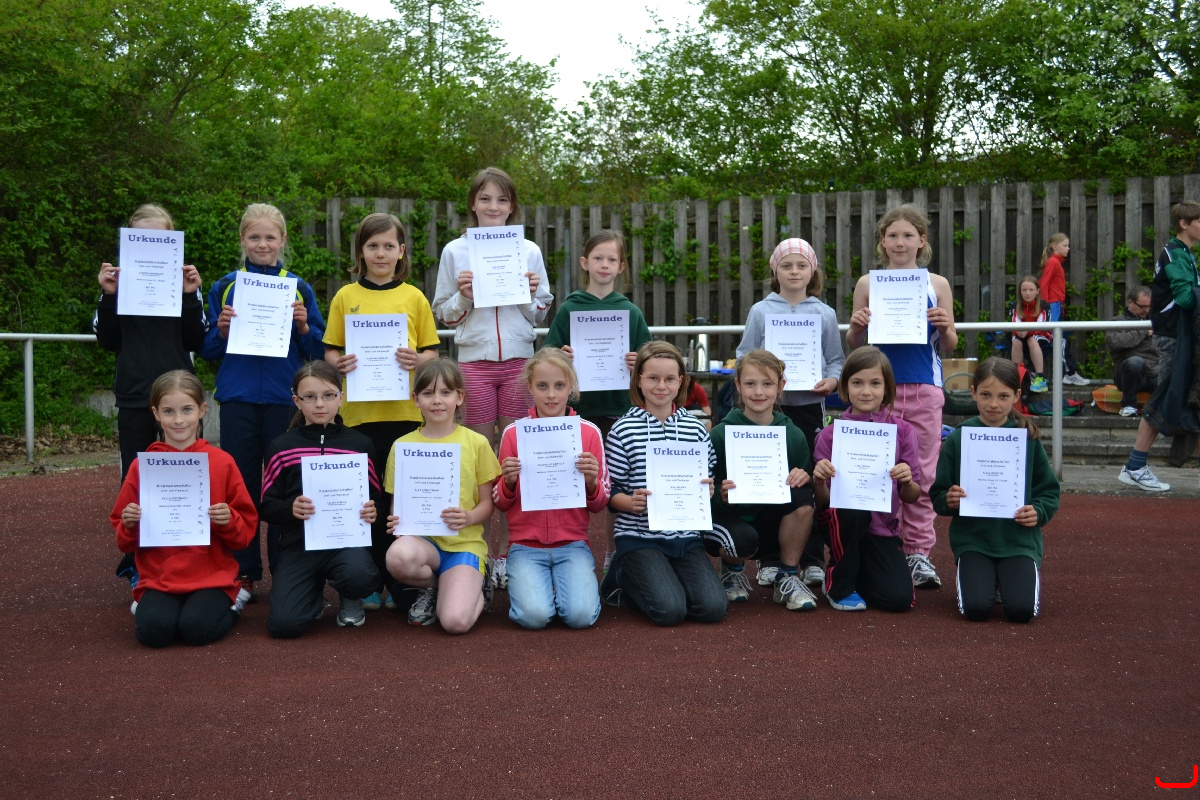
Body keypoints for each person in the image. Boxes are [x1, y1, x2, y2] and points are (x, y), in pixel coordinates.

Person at [432, 167, 553, 591]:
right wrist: (464, 296)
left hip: (520, 363)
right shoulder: (455, 251)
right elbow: (442, 312)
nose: (493, 206)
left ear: (512, 206)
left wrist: (532, 293)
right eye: (485, 198)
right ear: (472, 203)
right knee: (481, 463)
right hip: (475, 364)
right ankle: (481, 552)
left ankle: (511, 551)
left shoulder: (529, 250)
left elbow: (540, 313)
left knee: (517, 461)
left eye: (501, 199)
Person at [199, 203, 327, 600]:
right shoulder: (225, 286)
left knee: (284, 488)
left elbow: (318, 350)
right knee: (240, 486)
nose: (262, 244)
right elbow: (206, 349)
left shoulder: (298, 288)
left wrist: (303, 326)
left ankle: (288, 569)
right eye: (254, 237)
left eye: (270, 237)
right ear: (242, 240)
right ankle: (243, 571)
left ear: (282, 240)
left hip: (282, 400)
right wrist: (221, 331)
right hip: (237, 398)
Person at [323, 212, 440, 613]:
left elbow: (432, 352)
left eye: (389, 246)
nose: (380, 253)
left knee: (399, 500)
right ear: (361, 251)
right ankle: (369, 581)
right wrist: (339, 363)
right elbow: (331, 350)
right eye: (372, 246)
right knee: (366, 499)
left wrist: (417, 360)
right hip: (358, 416)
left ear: (401, 251)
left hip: (405, 414)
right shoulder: (345, 297)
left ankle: (401, 579)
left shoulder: (414, 297)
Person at [95, 203, 208, 594]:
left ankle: (192, 558)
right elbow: (107, 340)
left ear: (172, 240)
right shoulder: (118, 283)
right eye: (143, 236)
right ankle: (136, 562)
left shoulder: (184, 283)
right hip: (134, 394)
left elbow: (198, 339)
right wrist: (108, 295)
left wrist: (191, 296)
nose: (152, 243)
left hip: (179, 396)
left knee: (189, 476)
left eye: (160, 237)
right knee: (136, 479)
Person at [847, 204, 957, 589]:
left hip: (925, 387)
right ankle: (884, 546)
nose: (900, 242)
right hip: (878, 392)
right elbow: (855, 344)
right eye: (892, 235)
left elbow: (950, 343)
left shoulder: (937, 285)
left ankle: (919, 552)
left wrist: (945, 326)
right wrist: (856, 326)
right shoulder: (868, 284)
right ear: (882, 241)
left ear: (922, 240)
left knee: (921, 474)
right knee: (879, 471)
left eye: (908, 235)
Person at [111, 371, 257, 647]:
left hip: (211, 576)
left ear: (202, 410)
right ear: (156, 413)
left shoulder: (222, 462)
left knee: (197, 630)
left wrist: (228, 519)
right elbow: (123, 539)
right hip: (159, 577)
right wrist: (129, 523)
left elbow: (244, 534)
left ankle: (232, 603)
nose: (178, 420)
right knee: (154, 634)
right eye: (169, 411)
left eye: (187, 410)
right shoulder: (143, 466)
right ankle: (150, 607)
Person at [542, 230, 652, 573]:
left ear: (622, 266)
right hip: (578, 412)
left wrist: (639, 362)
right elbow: (546, 357)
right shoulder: (569, 308)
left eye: (612, 259)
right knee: (577, 481)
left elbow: (651, 361)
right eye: (598, 258)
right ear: (585, 263)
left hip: (620, 411)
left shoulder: (630, 311)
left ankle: (613, 554)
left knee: (616, 484)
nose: (605, 264)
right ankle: (573, 550)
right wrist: (560, 356)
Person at [737, 237, 844, 589]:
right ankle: (770, 558)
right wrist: (758, 382)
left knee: (810, 480)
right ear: (775, 270)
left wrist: (832, 381)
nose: (794, 271)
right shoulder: (760, 311)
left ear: (813, 270)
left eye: (801, 265)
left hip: (810, 408)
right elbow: (744, 355)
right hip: (770, 409)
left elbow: (836, 360)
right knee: (771, 480)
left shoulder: (825, 313)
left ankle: (812, 558)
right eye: (786, 265)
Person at [600, 341, 726, 626]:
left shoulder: (695, 428)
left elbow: (709, 477)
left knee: (712, 608)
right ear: (639, 380)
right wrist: (629, 502)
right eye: (653, 378)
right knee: (670, 611)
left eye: (669, 379)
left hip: (686, 537)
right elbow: (611, 490)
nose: (661, 386)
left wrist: (707, 490)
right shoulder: (623, 430)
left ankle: (664, 578)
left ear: (681, 381)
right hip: (639, 536)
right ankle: (621, 575)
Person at [931, 358, 1060, 623]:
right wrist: (949, 499)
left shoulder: (1027, 437)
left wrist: (1038, 512)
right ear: (973, 392)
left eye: (1003, 396)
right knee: (976, 609)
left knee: (1022, 612)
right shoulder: (959, 437)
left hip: (1018, 541)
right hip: (974, 540)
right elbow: (938, 494)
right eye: (986, 395)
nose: (993, 404)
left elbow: (1048, 491)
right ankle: (985, 578)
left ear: (1016, 396)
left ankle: (1004, 579)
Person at [259, 362, 381, 636]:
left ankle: (350, 594)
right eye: (310, 397)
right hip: (299, 546)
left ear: (341, 396)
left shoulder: (360, 444)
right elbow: (266, 506)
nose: (319, 404)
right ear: (297, 401)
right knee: (284, 625)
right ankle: (311, 593)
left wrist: (373, 510)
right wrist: (290, 508)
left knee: (360, 575)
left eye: (328, 395)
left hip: (346, 544)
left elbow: (376, 498)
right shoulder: (282, 446)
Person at [384, 359, 502, 633]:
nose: (437, 401)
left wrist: (468, 517)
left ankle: (476, 586)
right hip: (425, 546)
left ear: (459, 397)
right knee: (397, 556)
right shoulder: (402, 446)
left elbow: (488, 505)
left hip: (464, 545)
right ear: (416, 399)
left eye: (445, 392)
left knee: (455, 622)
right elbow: (396, 507)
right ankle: (434, 587)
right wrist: (397, 522)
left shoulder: (477, 443)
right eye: (428, 393)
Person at [493, 349, 608, 629]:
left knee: (580, 617)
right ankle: (545, 590)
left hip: (572, 545)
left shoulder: (589, 433)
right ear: (530, 387)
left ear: (571, 387)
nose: (551, 395)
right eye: (542, 386)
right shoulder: (514, 434)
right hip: (525, 546)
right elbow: (499, 502)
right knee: (533, 617)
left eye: (559, 385)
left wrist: (592, 482)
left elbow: (600, 503)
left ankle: (557, 588)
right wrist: (508, 482)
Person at [811, 347, 919, 612]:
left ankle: (858, 572)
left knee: (898, 600)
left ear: (887, 388)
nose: (866, 391)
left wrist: (906, 481)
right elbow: (822, 503)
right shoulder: (830, 435)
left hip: (882, 528)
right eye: (857, 383)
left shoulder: (903, 431)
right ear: (845, 387)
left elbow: (912, 496)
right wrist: (819, 481)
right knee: (854, 511)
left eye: (875, 383)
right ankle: (838, 582)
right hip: (842, 524)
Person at [709, 350, 816, 611]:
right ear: (738, 386)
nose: (759, 392)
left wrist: (804, 477)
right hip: (732, 521)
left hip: (772, 523)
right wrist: (721, 496)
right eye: (750, 384)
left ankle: (787, 576)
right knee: (741, 538)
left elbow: (805, 491)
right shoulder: (720, 435)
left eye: (767, 384)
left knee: (803, 496)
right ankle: (732, 569)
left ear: (780, 387)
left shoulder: (793, 435)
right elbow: (705, 494)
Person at [1118, 201, 1200, 491]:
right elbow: (1187, 298)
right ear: (1184, 224)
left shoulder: (1183, 253)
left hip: (1178, 335)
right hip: (1176, 336)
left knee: (1185, 397)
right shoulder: (1176, 254)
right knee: (1165, 398)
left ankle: (1135, 465)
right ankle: (1135, 466)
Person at [1039, 233, 1088, 385]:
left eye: (1068, 245)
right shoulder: (1053, 262)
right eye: (1065, 245)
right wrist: (1046, 306)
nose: (1068, 248)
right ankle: (1068, 373)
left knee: (1059, 339)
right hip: (1053, 305)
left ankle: (1065, 373)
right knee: (1057, 339)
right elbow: (1043, 283)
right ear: (1055, 247)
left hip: (1056, 305)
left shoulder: (1056, 262)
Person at [1105, 286, 1157, 417]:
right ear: (1130, 302)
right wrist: (1143, 331)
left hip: (1153, 372)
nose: (1146, 310)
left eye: (1149, 306)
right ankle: (1128, 406)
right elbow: (1115, 342)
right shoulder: (1117, 321)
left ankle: (1161, 411)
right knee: (1135, 363)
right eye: (1142, 307)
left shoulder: (1156, 321)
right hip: (1127, 376)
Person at [1010, 276, 1051, 393]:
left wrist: (1027, 332)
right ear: (1020, 291)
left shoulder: (1044, 305)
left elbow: (1042, 326)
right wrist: (1018, 331)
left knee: (1032, 340)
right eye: (1024, 290)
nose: (1027, 293)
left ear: (1037, 291)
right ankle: (1018, 379)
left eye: (1031, 290)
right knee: (1016, 342)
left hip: (1042, 335)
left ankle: (1040, 379)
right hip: (1022, 335)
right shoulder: (1015, 306)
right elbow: (1014, 324)